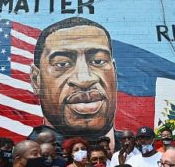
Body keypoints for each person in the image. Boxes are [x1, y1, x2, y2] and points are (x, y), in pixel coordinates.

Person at [29, 17, 119, 151]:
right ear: (36, 80)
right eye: (62, 64)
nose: (84, 79)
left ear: (114, 72)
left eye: (98, 61)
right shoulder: (27, 159)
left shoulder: (135, 152)